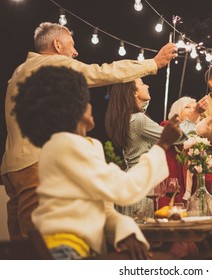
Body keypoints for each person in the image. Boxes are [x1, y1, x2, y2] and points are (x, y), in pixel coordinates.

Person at [1, 22, 177, 240]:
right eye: (71, 46)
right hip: (36, 165)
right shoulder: (52, 63)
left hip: (11, 168)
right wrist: (153, 63)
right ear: (57, 45)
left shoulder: (19, 71)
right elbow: (100, 72)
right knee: (37, 246)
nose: (75, 52)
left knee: (19, 245)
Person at [12, 66, 182, 259]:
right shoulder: (64, 145)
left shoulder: (79, 145)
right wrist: (163, 144)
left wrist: (127, 234)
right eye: (84, 100)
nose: (90, 105)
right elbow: (124, 188)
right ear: (71, 108)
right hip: (64, 251)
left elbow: (104, 209)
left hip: (81, 250)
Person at [105, 80, 199, 219]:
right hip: (143, 182)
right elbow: (176, 138)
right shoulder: (139, 120)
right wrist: (196, 115)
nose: (148, 86)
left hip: (133, 179)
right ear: (134, 92)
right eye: (142, 83)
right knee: (145, 230)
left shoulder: (128, 118)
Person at [159, 96, 212, 206]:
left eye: (194, 107)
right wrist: (210, 118)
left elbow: (201, 170)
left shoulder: (196, 137)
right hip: (171, 193)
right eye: (187, 107)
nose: (192, 110)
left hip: (189, 197)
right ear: (176, 112)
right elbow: (179, 135)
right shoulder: (166, 126)